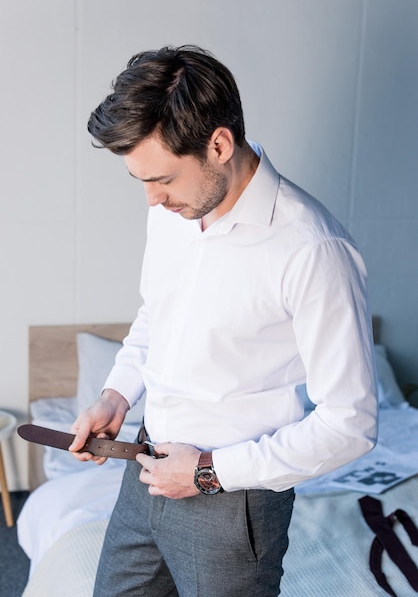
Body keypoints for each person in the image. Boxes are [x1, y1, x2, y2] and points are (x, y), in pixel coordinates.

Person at [69, 45, 378, 596]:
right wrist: (116, 396)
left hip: (233, 502)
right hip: (144, 469)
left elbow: (349, 425)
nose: (150, 199)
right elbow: (156, 315)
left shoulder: (312, 249)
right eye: (140, 180)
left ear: (218, 144)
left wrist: (207, 472)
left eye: (161, 179)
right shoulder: (174, 211)